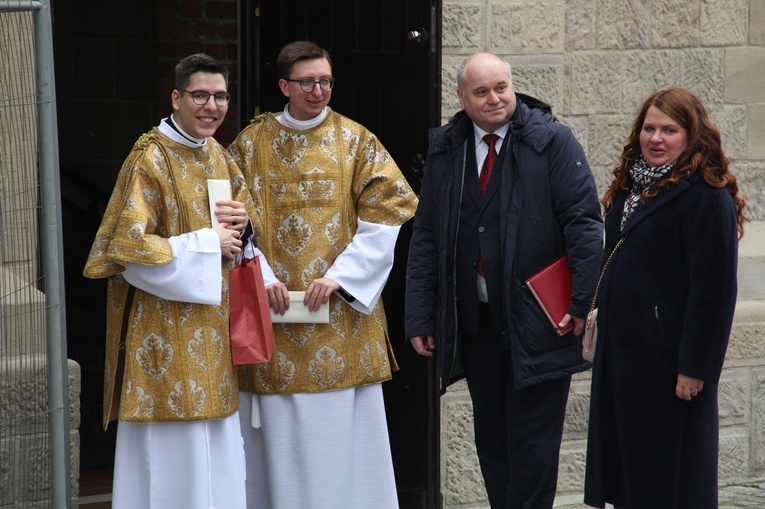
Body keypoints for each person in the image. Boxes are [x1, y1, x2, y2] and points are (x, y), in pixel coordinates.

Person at [405, 52, 603, 508]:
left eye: (501, 88)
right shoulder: (447, 149)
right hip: (478, 326)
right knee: (492, 442)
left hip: (540, 324)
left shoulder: (552, 141)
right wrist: (420, 315)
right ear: (461, 97)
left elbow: (586, 225)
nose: (494, 99)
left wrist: (579, 302)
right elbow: (428, 236)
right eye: (482, 91)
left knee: (533, 450)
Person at [228, 40, 418, 509]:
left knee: (342, 445)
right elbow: (232, 216)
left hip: (340, 320)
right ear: (283, 86)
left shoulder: (356, 140)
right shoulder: (250, 145)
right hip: (273, 312)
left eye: (326, 81)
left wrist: (341, 276)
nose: (318, 91)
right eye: (307, 82)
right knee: (281, 449)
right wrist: (263, 276)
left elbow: (390, 207)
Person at [83, 53, 258, 509]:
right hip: (162, 335)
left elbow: (239, 233)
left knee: (217, 451)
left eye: (220, 96)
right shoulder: (149, 158)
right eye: (200, 95)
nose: (211, 106)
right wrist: (207, 242)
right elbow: (128, 249)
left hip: (213, 333)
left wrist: (244, 223)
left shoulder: (219, 154)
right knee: (170, 466)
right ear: (177, 97)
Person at [583, 88, 747, 509]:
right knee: (630, 478)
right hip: (623, 360)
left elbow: (714, 294)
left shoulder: (706, 197)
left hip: (670, 369)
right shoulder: (629, 188)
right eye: (649, 127)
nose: (655, 138)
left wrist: (694, 368)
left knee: (670, 483)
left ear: (692, 136)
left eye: (669, 130)